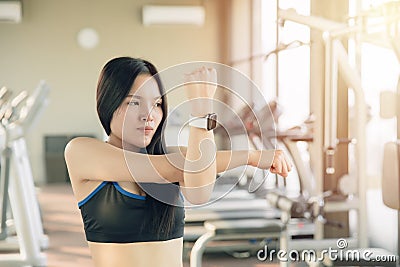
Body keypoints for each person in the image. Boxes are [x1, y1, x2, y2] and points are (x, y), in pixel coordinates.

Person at [64, 57, 292, 267]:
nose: (149, 114)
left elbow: (198, 186)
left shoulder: (172, 158)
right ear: (108, 104)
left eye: (157, 104)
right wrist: (201, 112)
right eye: (134, 103)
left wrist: (252, 157)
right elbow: (176, 167)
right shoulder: (81, 151)